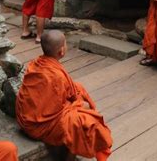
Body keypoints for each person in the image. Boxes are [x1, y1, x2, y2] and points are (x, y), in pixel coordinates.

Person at [16, 30, 112, 161]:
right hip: (39, 126)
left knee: (79, 88)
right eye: (66, 43)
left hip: (28, 116)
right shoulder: (57, 76)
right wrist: (79, 105)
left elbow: (61, 93)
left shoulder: (35, 63)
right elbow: (63, 100)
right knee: (84, 121)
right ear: (61, 51)